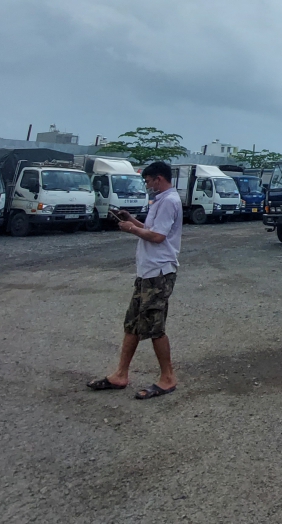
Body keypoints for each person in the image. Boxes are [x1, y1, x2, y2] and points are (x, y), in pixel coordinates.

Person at [87, 160, 183, 400]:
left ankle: (168, 377)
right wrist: (132, 220)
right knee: (132, 324)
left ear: (158, 178)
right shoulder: (160, 200)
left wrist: (131, 229)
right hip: (147, 271)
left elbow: (159, 237)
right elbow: (151, 229)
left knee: (155, 326)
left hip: (160, 272)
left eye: (149, 181)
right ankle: (120, 374)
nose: (148, 185)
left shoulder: (169, 201)